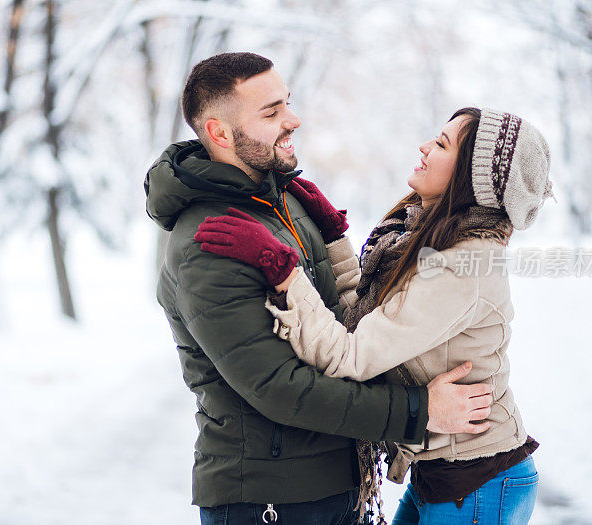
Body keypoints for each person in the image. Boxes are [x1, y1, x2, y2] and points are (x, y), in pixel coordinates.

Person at [145, 52, 494, 525]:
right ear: (219, 133)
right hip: (270, 500)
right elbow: (279, 388)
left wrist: (333, 238)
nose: (293, 120)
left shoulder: (282, 201)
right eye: (271, 113)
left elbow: (344, 323)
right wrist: (419, 411)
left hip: (334, 485)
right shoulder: (211, 240)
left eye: (286, 103)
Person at [195, 106, 553, 524]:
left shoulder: (461, 264)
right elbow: (361, 323)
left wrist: (285, 273)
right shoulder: (423, 238)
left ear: (470, 178)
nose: (424, 147)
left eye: (441, 144)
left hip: (478, 483)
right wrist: (334, 240)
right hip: (444, 476)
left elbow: (350, 355)